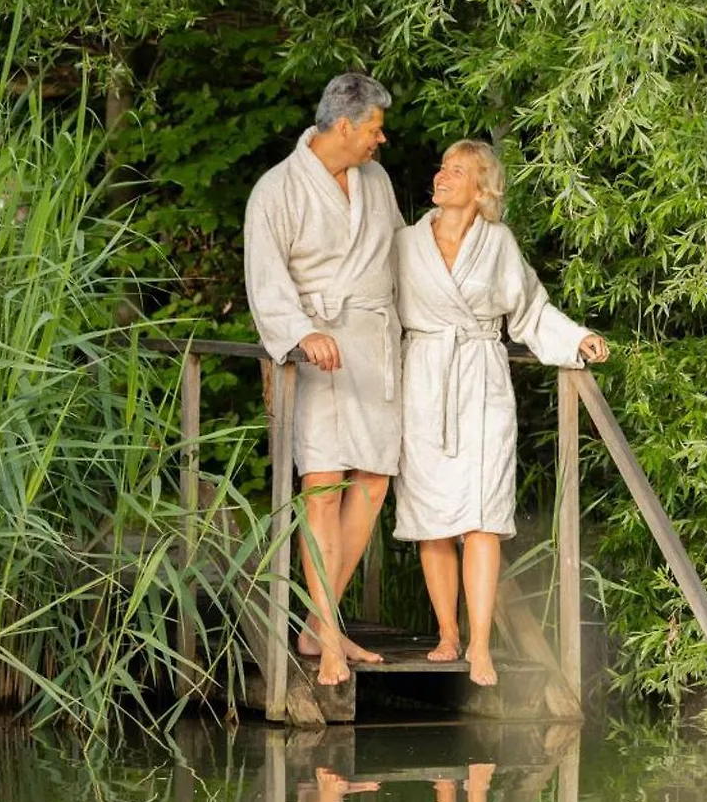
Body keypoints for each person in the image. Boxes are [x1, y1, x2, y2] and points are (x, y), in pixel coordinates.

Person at [392, 140, 608, 686]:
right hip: (423, 379)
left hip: (481, 378)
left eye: (456, 170)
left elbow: (530, 309)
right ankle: (447, 634)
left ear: (481, 187)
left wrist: (577, 339)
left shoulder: (498, 243)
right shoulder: (405, 243)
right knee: (431, 517)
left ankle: (481, 645)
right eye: (441, 166)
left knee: (482, 515)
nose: (441, 176)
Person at [245, 73, 404, 686]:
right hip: (317, 350)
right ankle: (332, 639)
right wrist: (299, 333)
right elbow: (265, 277)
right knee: (323, 485)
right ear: (344, 126)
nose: (380, 140)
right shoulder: (278, 189)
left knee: (372, 481)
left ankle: (319, 624)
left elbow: (398, 255)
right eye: (374, 129)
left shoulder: (377, 181)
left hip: (371, 342)